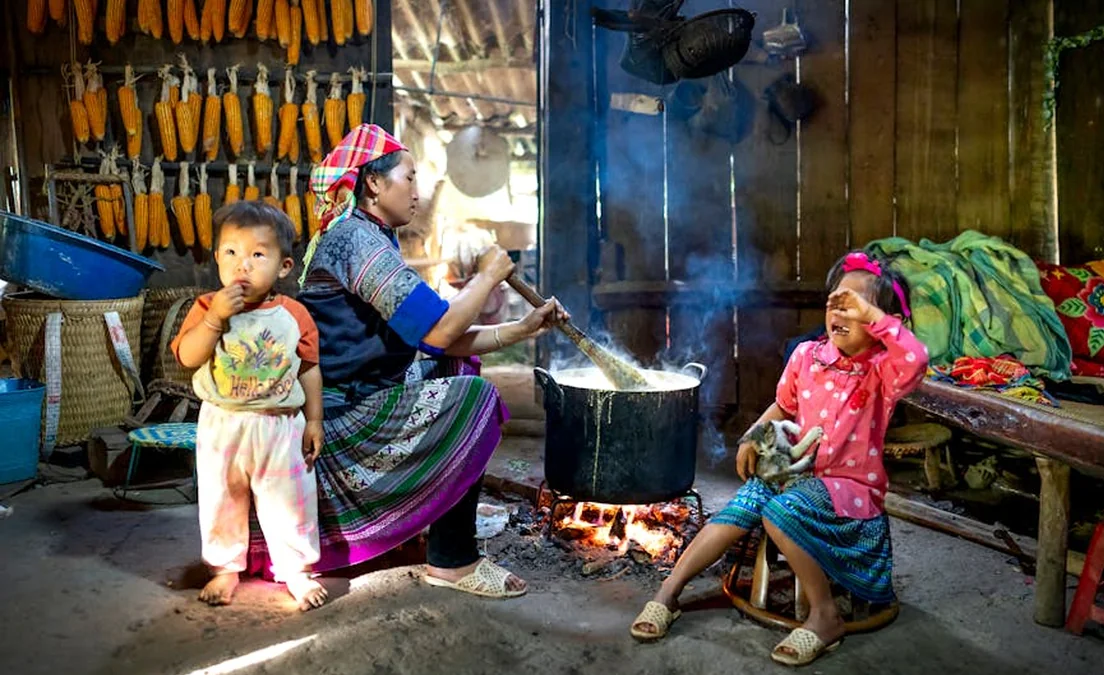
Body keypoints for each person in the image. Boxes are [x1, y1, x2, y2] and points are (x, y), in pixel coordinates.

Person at [247, 123, 565, 598]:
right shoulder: (356, 240)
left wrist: (521, 328)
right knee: (476, 400)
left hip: (364, 387)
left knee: (459, 372)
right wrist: (488, 277)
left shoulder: (369, 236)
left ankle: (426, 517)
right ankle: (452, 561)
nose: (417, 191)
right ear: (373, 184)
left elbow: (441, 341)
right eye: (409, 177)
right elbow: (439, 331)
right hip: (337, 413)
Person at [629, 251, 929, 666]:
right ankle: (669, 592)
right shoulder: (807, 356)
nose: (841, 313)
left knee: (780, 511)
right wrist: (752, 437)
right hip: (796, 473)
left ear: (883, 323)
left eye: (857, 307)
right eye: (837, 303)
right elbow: (782, 407)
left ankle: (825, 616)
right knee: (740, 507)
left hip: (849, 489)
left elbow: (917, 359)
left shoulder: (882, 370)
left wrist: (873, 316)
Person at [172, 201, 328, 611]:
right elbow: (188, 357)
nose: (243, 264)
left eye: (257, 254)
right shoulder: (207, 307)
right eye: (231, 252)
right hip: (222, 423)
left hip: (279, 425)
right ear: (217, 260)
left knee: (290, 498)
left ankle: (296, 570)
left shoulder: (294, 315)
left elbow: (309, 369)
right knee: (221, 498)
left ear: (284, 267)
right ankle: (225, 569)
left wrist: (315, 419)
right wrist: (215, 320)